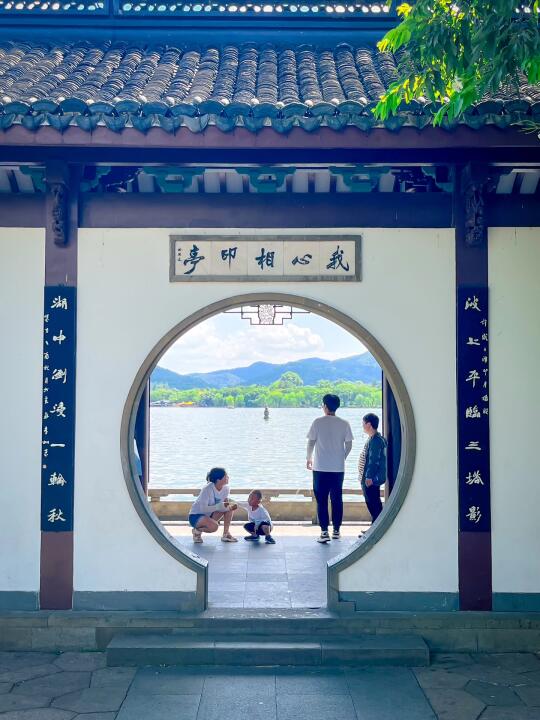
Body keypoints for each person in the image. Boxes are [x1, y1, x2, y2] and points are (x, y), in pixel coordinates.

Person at [306, 394, 353, 543]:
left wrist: (309, 458)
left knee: (322, 500)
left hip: (320, 468)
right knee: (337, 499)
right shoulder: (344, 423)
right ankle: (337, 530)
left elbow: (311, 442)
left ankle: (324, 532)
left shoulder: (317, 422)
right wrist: (342, 457)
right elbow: (349, 444)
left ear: (325, 406)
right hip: (338, 469)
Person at [188, 467, 238, 543]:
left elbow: (224, 505)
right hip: (196, 516)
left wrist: (230, 506)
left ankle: (226, 534)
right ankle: (197, 531)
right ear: (218, 479)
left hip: (210, 515)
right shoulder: (207, 489)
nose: (228, 477)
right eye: (226, 476)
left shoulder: (226, 489)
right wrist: (219, 506)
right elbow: (203, 509)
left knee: (229, 509)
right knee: (214, 527)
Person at [358, 413, 387, 529]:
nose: (362, 426)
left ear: (369, 424)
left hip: (370, 479)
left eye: (363, 423)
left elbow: (373, 460)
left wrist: (369, 477)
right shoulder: (374, 439)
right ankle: (375, 526)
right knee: (373, 502)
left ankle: (377, 527)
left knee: (373, 503)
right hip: (368, 478)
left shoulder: (376, 441)